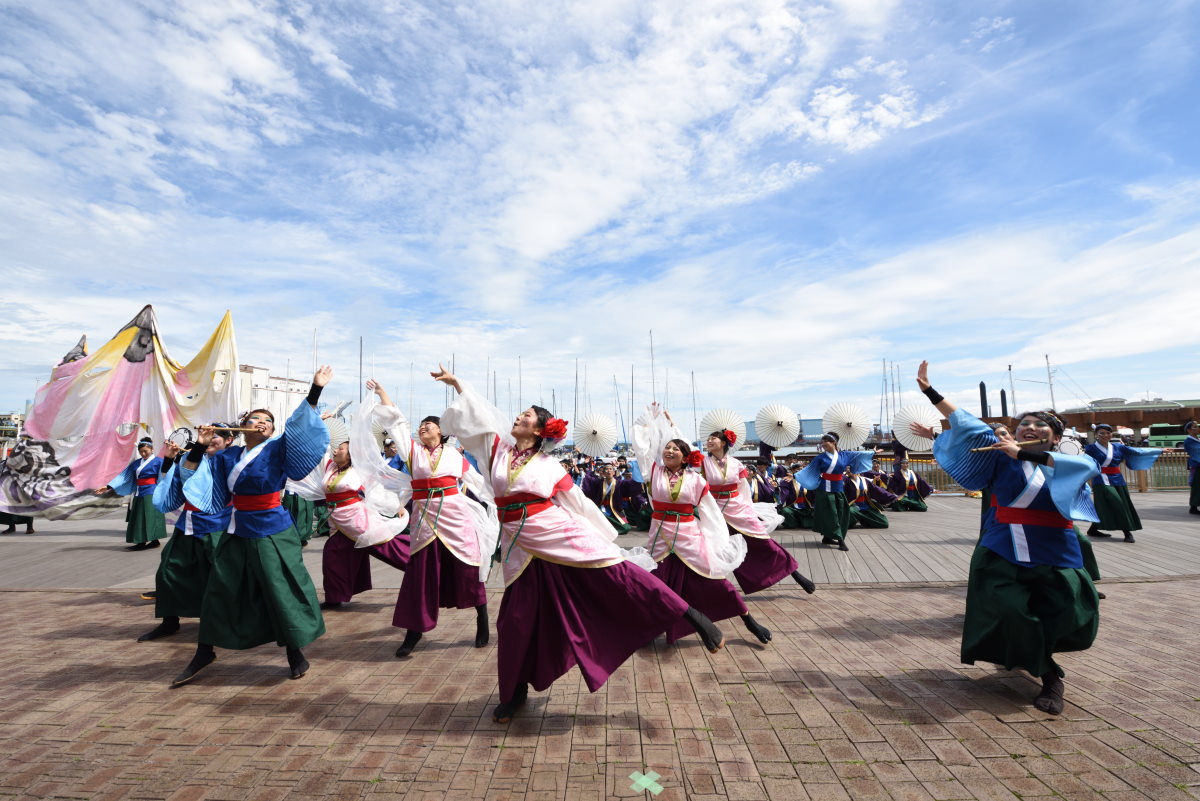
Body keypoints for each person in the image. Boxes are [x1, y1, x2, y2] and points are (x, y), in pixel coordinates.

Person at [433, 366, 726, 723]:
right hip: (518, 547)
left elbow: (579, 506)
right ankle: (514, 693)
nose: (517, 417)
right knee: (513, 621)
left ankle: (693, 616)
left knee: (620, 576)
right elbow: (479, 415)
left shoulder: (551, 468)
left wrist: (603, 538)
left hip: (556, 532)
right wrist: (459, 385)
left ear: (540, 430)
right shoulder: (495, 448)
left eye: (525, 416)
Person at [917, 361, 1099, 715]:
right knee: (1010, 611)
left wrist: (1022, 452)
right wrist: (930, 392)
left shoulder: (1069, 462)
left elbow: (1085, 470)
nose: (1029, 427)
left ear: (1056, 438)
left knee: (1065, 614)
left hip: (1055, 551)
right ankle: (1050, 677)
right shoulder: (1001, 460)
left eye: (1039, 425)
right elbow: (967, 424)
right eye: (1025, 424)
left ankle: (1032, 657)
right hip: (1003, 549)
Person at [170, 366, 333, 687]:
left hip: (272, 528)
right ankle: (205, 650)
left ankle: (294, 651)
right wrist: (201, 445)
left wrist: (315, 390)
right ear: (241, 426)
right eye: (255, 418)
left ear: (272, 431)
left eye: (268, 421)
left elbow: (300, 429)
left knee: (278, 589)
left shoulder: (277, 449)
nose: (262, 422)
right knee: (219, 589)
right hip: (235, 529)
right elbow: (192, 477)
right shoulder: (226, 457)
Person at [362, 380, 494, 658]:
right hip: (424, 520)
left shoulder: (456, 457)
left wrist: (501, 502)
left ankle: (482, 620)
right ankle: (414, 632)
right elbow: (397, 425)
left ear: (442, 433)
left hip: (456, 519)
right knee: (420, 577)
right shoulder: (412, 452)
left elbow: (480, 484)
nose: (423, 428)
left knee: (468, 570)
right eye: (421, 425)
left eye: (429, 425)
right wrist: (383, 393)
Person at [633, 408, 771, 643]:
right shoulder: (653, 471)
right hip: (660, 537)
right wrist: (649, 426)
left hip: (689, 537)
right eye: (667, 447)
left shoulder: (696, 480)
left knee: (716, 582)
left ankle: (749, 620)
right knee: (655, 583)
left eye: (676, 449)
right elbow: (644, 449)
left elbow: (711, 514)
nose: (669, 450)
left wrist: (717, 541)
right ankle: (647, 628)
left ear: (686, 457)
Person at [139, 426, 237, 642]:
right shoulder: (190, 458)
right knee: (167, 571)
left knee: (219, 577)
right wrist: (169, 460)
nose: (211, 439)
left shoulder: (230, 458)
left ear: (229, 439)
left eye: (216, 437)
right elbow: (174, 483)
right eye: (207, 437)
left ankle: (223, 621)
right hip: (188, 523)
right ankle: (169, 621)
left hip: (217, 524)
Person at [701, 429, 816, 594]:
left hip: (739, 509)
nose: (709, 441)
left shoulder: (736, 464)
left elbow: (744, 490)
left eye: (713, 438)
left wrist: (747, 509)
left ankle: (795, 573)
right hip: (715, 513)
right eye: (708, 439)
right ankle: (716, 590)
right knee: (715, 550)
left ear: (724, 443)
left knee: (764, 543)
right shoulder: (702, 463)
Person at [317, 423, 409, 610]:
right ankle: (334, 597)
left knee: (390, 550)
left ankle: (427, 570)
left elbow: (380, 489)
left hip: (358, 519)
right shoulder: (330, 467)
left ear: (351, 454)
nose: (336, 450)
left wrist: (396, 506)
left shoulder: (360, 471)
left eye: (341, 448)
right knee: (333, 555)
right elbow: (320, 448)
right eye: (337, 448)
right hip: (338, 522)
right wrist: (320, 423)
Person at [795, 434, 877, 551]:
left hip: (838, 489)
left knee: (841, 514)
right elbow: (809, 471)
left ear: (834, 442)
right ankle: (840, 540)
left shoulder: (845, 455)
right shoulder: (820, 458)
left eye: (825, 441)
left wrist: (873, 452)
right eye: (822, 442)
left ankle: (827, 538)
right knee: (832, 515)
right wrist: (795, 476)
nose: (823, 444)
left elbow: (860, 455)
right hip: (825, 490)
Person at [1083, 424, 1161, 543]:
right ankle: (1127, 532)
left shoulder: (1118, 447)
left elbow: (1137, 451)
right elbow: (1081, 461)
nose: (1105, 435)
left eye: (1108, 433)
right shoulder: (1090, 448)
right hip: (1101, 480)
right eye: (1102, 433)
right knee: (1118, 504)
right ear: (1096, 435)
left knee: (1106, 506)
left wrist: (1158, 450)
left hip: (1118, 479)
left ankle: (1093, 529)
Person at [97, 437, 168, 551]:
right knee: (140, 516)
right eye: (141, 452)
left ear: (152, 449)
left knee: (150, 516)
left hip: (152, 492)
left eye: (146, 451)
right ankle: (153, 541)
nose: (144, 453)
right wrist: (108, 486)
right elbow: (124, 476)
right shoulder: (136, 463)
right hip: (139, 491)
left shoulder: (159, 461)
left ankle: (143, 542)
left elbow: (166, 475)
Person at [582, 461, 633, 535]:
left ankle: (608, 530)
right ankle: (607, 529)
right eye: (606, 469)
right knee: (601, 515)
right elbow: (588, 482)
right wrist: (590, 466)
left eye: (610, 469)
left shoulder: (619, 483)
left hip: (615, 508)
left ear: (614, 472)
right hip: (602, 507)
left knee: (626, 528)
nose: (608, 471)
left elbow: (630, 485)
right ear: (603, 473)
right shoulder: (599, 483)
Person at [1186, 421, 1200, 515]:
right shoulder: (1189, 441)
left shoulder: (1197, 440)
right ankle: (1193, 507)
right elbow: (1196, 453)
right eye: (1194, 427)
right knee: (1197, 487)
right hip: (1197, 466)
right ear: (1189, 430)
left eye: (1197, 426)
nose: (1197, 428)